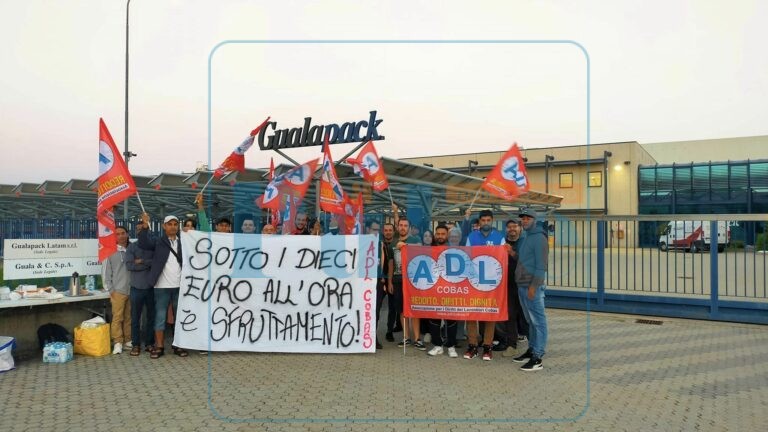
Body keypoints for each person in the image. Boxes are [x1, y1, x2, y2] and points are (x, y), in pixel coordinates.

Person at [137, 213, 188, 359]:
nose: (173, 227)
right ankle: (159, 346)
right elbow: (143, 243)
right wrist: (145, 226)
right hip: (161, 286)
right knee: (160, 317)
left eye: (175, 224)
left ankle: (178, 345)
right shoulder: (158, 241)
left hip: (180, 286)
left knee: (180, 317)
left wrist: (191, 233)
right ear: (164, 226)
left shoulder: (184, 242)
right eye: (169, 224)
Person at [464, 209, 505, 361]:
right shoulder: (472, 236)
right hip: (474, 281)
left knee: (490, 314)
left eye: (488, 220)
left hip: (492, 282)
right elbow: (466, 257)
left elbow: (503, 260)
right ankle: (472, 345)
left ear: (492, 221)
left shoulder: (499, 237)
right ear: (479, 221)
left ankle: (487, 346)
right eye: (483, 220)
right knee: (471, 313)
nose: (486, 223)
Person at [513, 208, 549, 372]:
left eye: (528, 218)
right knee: (531, 321)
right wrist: (512, 253)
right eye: (523, 218)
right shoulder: (527, 237)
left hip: (531, 287)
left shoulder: (539, 239)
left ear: (535, 220)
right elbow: (524, 260)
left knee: (538, 322)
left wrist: (534, 287)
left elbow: (541, 266)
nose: (525, 221)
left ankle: (537, 357)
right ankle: (532, 349)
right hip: (522, 285)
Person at [392, 216, 425, 350]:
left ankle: (417, 338)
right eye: (401, 225)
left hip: (413, 281)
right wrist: (389, 281)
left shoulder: (415, 239)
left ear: (409, 228)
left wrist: (405, 246)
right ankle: (406, 337)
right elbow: (391, 262)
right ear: (397, 227)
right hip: (398, 280)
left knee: (414, 308)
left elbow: (421, 248)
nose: (403, 228)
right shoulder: (393, 242)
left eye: (405, 226)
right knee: (402, 310)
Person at [427, 224, 459, 358]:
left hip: (450, 289)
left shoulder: (454, 251)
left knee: (451, 319)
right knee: (434, 318)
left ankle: (451, 346)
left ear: (447, 236)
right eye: (438, 234)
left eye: (443, 234)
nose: (440, 236)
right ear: (435, 235)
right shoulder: (429, 250)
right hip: (434, 289)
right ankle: (437, 345)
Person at [125, 220, 156, 356]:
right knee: (135, 318)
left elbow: (156, 263)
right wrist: (148, 264)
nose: (140, 231)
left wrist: (142, 261)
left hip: (151, 288)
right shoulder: (132, 247)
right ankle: (136, 345)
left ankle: (149, 343)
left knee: (151, 318)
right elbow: (130, 266)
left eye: (142, 229)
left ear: (147, 230)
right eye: (138, 229)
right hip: (136, 288)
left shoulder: (153, 246)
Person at [499, 218, 528, 358]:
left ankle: (533, 344)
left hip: (523, 283)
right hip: (507, 284)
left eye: (514, 226)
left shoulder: (525, 242)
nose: (512, 229)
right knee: (510, 314)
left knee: (526, 315)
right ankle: (511, 345)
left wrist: (512, 253)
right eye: (509, 226)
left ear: (520, 228)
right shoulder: (501, 242)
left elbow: (527, 261)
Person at [102, 225, 132, 355]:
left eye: (123, 233)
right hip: (118, 291)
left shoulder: (132, 249)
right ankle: (118, 342)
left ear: (127, 234)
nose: (121, 236)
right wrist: (111, 290)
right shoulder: (110, 251)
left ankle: (128, 340)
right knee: (117, 317)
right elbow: (106, 273)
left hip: (132, 289)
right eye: (117, 234)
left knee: (128, 317)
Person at [372, 221, 394, 349]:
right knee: (371, 310)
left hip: (384, 282)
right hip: (369, 283)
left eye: (376, 230)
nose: (375, 232)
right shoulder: (365, 244)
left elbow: (390, 264)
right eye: (373, 229)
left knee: (383, 309)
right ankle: (369, 337)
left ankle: (385, 333)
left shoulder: (385, 245)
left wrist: (388, 281)